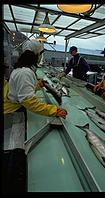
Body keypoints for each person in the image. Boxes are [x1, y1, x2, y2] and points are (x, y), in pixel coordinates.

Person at [3, 39, 67, 194]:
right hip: (10, 115)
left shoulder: (22, 70)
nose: (41, 57)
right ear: (37, 55)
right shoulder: (25, 73)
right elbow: (28, 100)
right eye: (41, 54)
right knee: (14, 151)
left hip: (11, 109)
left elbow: (22, 91)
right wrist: (53, 110)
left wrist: (37, 86)